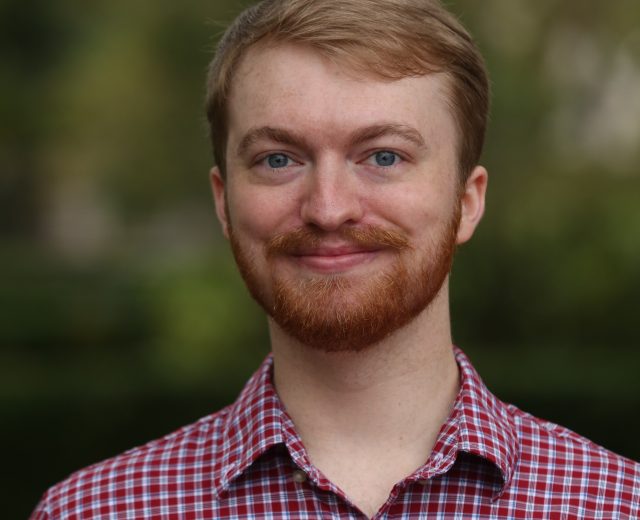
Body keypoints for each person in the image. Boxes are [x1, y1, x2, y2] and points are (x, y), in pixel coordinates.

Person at [32, 0, 639, 518]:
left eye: (383, 156)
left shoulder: (616, 505)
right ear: (223, 202)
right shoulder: (92, 510)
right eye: (278, 159)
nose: (328, 208)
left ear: (467, 200)